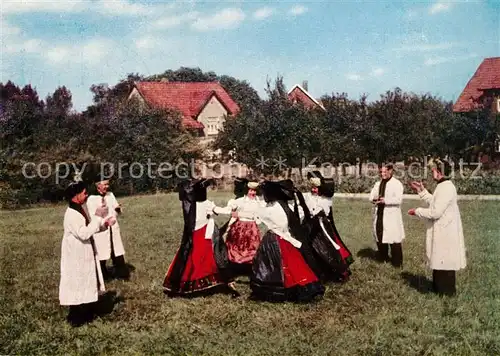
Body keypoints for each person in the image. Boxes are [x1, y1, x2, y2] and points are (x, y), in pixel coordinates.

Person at [234, 179, 325, 302]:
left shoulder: (272, 208)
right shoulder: (283, 205)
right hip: (283, 238)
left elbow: (258, 215)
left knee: (274, 264)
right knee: (291, 263)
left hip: (276, 238)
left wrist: (238, 214)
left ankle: (278, 289)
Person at [163, 178, 240, 298]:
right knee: (205, 258)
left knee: (195, 258)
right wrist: (231, 209)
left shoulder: (188, 203)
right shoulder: (204, 203)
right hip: (203, 235)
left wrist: (230, 210)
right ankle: (207, 281)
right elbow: (220, 210)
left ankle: (194, 283)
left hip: (196, 234)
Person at [59, 177, 117, 327]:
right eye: (84, 193)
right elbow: (84, 233)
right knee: (77, 283)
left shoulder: (79, 209)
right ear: (76, 195)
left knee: (85, 281)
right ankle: (76, 318)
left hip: (83, 251)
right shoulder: (71, 213)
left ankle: (86, 311)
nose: (86, 195)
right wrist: (98, 216)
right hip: (76, 254)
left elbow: (90, 228)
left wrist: (104, 224)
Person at [408, 157, 467, 296]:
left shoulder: (446, 187)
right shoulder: (443, 185)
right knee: (440, 258)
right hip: (443, 229)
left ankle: (446, 293)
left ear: (439, 171)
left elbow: (435, 212)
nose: (432, 172)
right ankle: (439, 290)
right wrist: (422, 191)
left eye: (433, 170)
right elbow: (435, 202)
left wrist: (417, 211)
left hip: (446, 230)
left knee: (445, 260)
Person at [300, 171, 354, 282]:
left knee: (326, 249)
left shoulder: (325, 200)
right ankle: (315, 271)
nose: (314, 190)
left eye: (316, 188)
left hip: (321, 228)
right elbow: (303, 210)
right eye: (312, 187)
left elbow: (324, 213)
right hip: (310, 227)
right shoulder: (308, 197)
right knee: (311, 249)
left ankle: (331, 271)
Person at [86, 177, 129, 280]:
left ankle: (122, 274)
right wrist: (103, 223)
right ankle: (102, 275)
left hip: (113, 228)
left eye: (107, 184)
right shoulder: (92, 199)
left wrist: (118, 209)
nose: (107, 186)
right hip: (101, 229)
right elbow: (92, 216)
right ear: (98, 186)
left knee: (117, 251)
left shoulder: (110, 195)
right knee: (102, 252)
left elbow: (116, 208)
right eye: (104, 184)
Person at [217, 177, 263, 273]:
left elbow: (259, 216)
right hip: (240, 227)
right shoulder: (239, 201)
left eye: (254, 191)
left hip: (252, 228)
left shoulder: (259, 203)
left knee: (252, 247)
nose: (253, 193)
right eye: (251, 190)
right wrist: (214, 208)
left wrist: (240, 214)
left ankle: (249, 268)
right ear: (247, 190)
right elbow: (228, 209)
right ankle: (235, 267)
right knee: (237, 245)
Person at [369, 164, 405, 267]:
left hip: (391, 215)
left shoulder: (397, 184)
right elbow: (371, 196)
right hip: (380, 213)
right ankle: (383, 257)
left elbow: (399, 199)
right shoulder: (378, 183)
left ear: (390, 171)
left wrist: (386, 201)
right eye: (380, 172)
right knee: (380, 235)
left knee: (394, 238)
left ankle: (397, 263)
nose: (382, 174)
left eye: (384, 172)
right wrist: (375, 199)